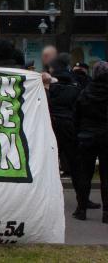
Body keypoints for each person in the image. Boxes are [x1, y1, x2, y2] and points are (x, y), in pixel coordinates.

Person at [73, 60, 108, 222]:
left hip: (86, 137)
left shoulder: (85, 92)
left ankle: (81, 210)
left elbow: (77, 116)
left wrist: (79, 133)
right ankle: (106, 213)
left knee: (84, 175)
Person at [48, 56, 82, 184]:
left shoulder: (49, 84)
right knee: (74, 160)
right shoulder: (74, 83)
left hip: (51, 124)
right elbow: (78, 105)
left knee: (50, 159)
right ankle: (82, 200)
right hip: (68, 124)